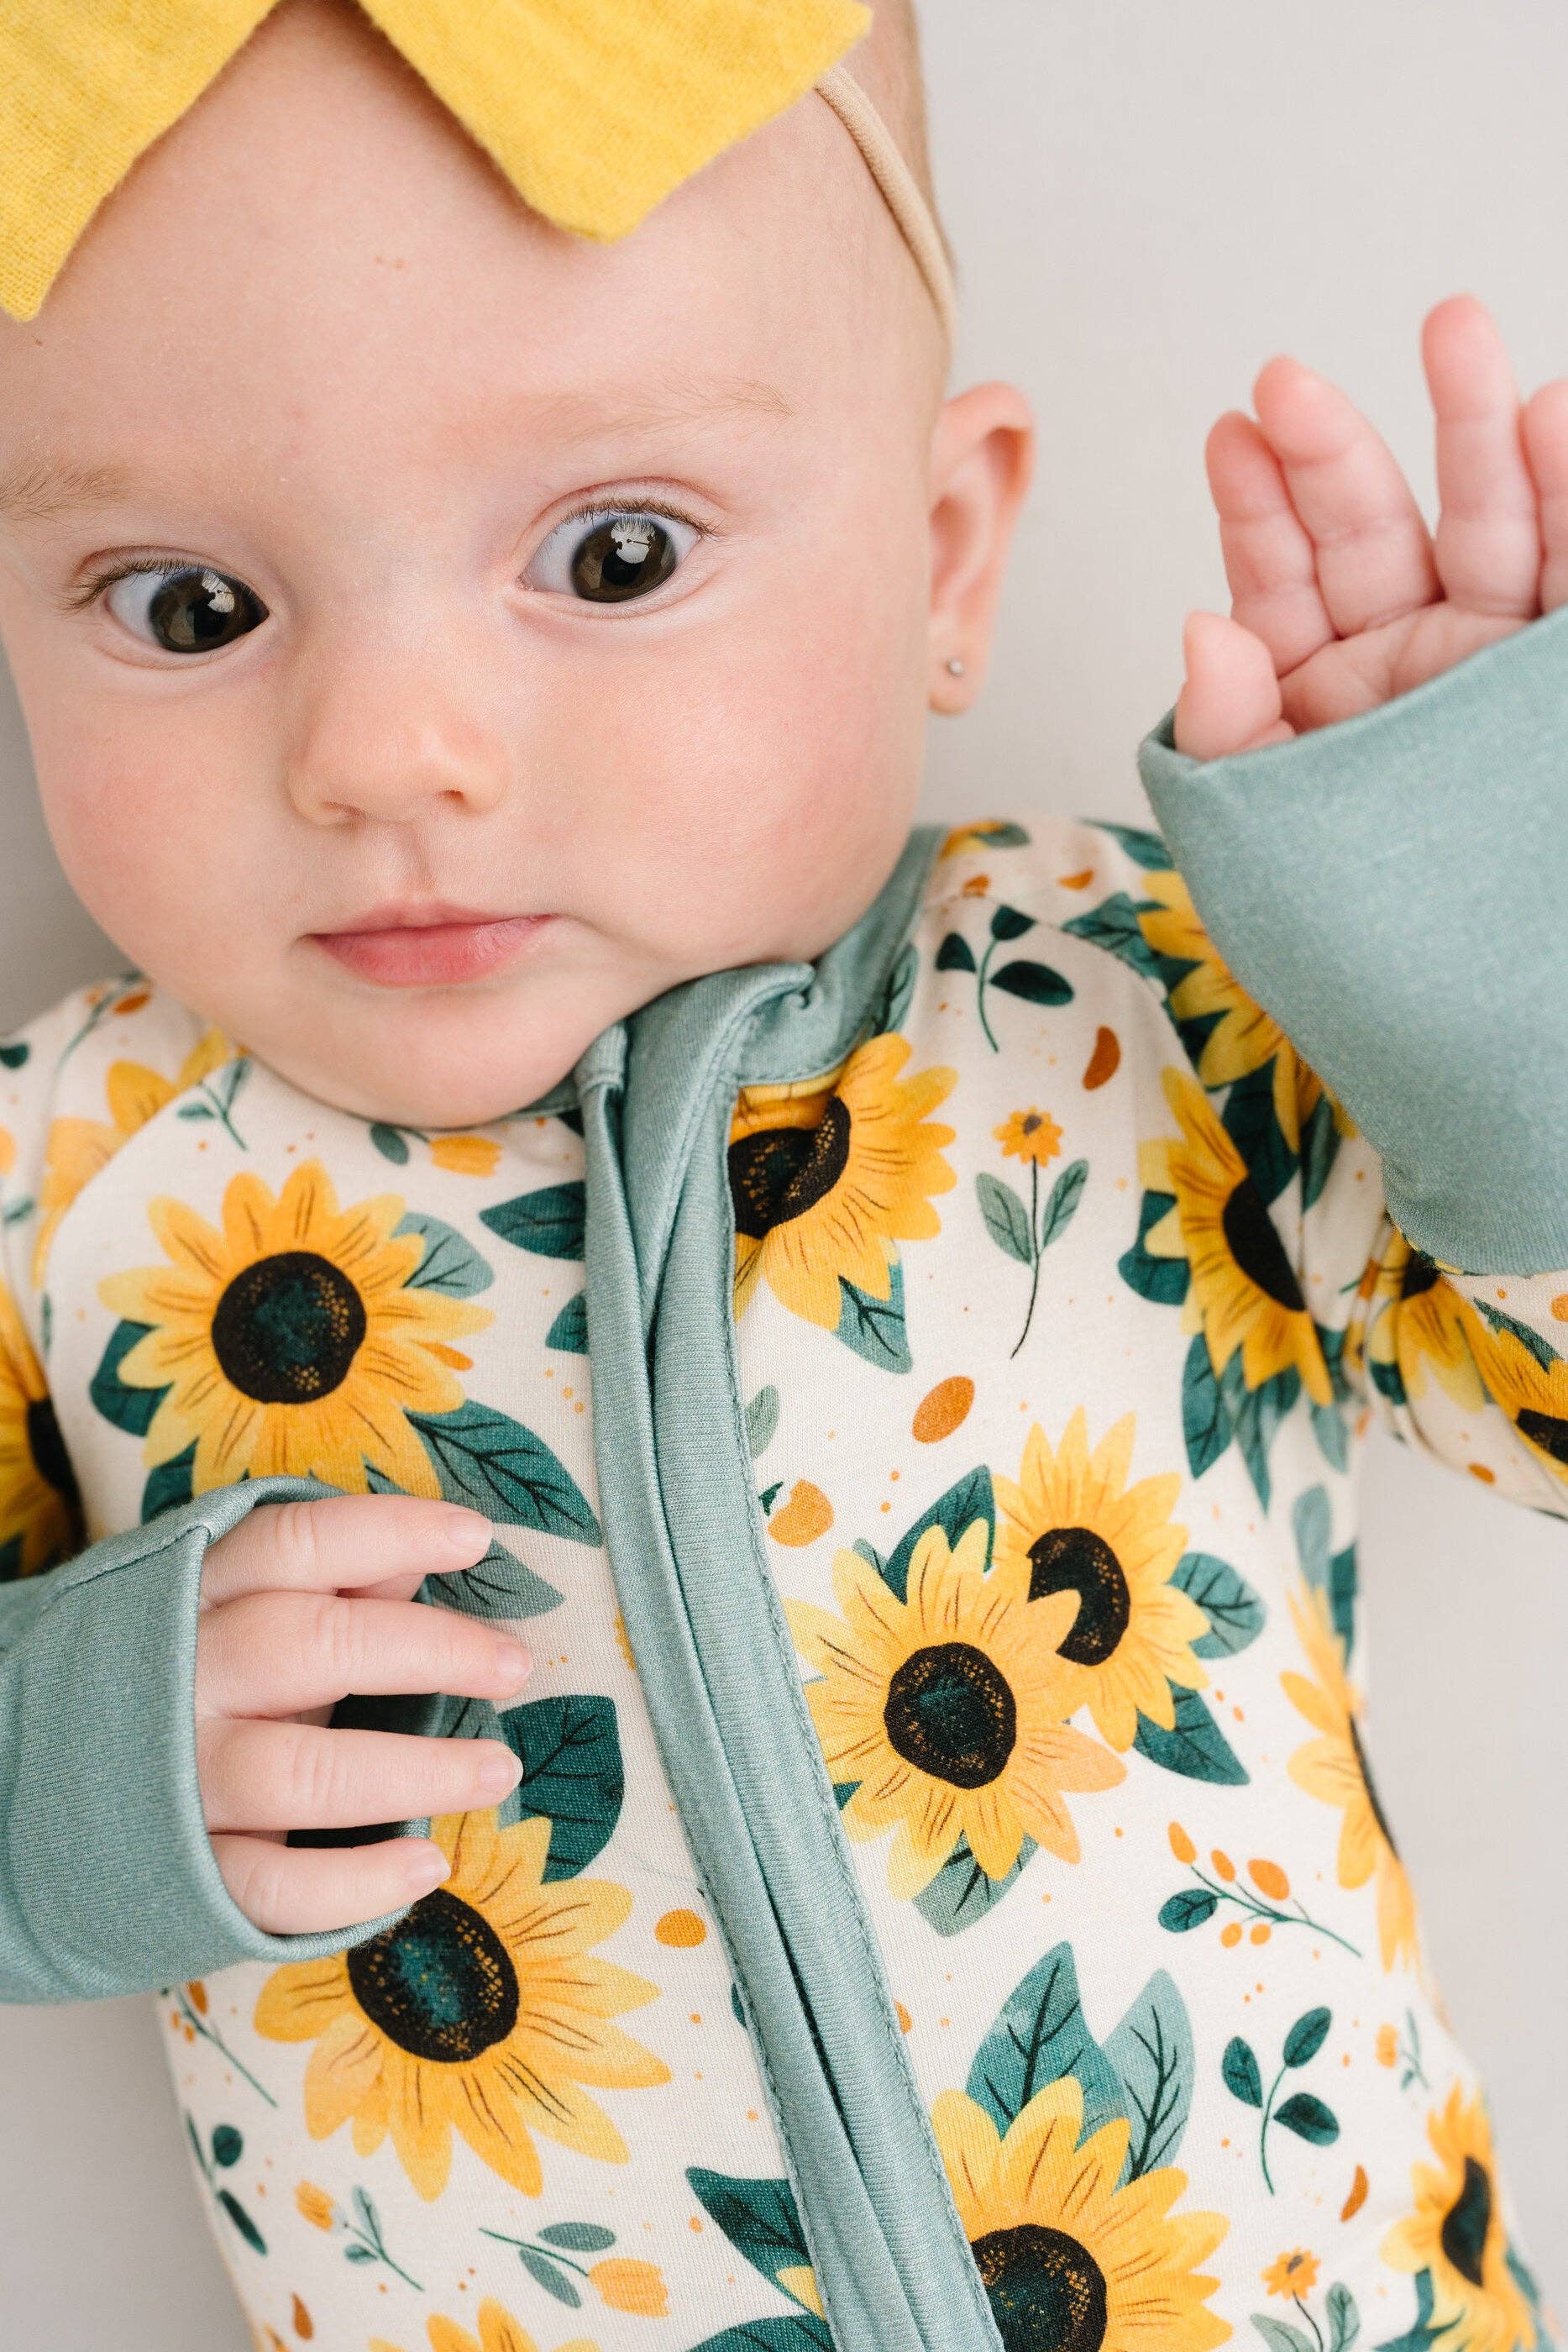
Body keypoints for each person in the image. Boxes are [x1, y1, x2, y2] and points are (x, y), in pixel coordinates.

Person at [0, 3, 1564, 2346]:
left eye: (612, 553)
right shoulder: (66, 1175)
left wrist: (1489, 972)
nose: (381, 753)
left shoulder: (1135, 1002)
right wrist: (77, 1771)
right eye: (188, 608)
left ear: (943, 557)